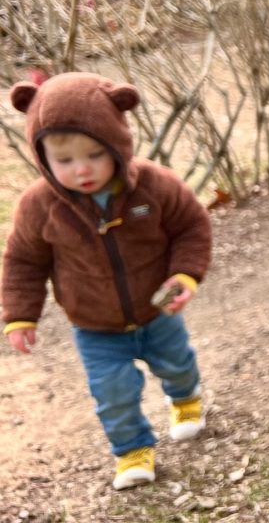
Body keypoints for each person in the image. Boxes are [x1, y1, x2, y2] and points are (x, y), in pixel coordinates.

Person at [2, 72, 212, 490]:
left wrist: (185, 273)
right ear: (42, 158)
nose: (82, 169)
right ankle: (132, 450)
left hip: (157, 309)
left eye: (95, 154)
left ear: (117, 143)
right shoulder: (39, 206)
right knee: (112, 391)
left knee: (177, 364)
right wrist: (20, 316)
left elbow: (191, 225)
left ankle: (186, 399)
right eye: (64, 161)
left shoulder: (153, 185)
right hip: (94, 326)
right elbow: (23, 261)